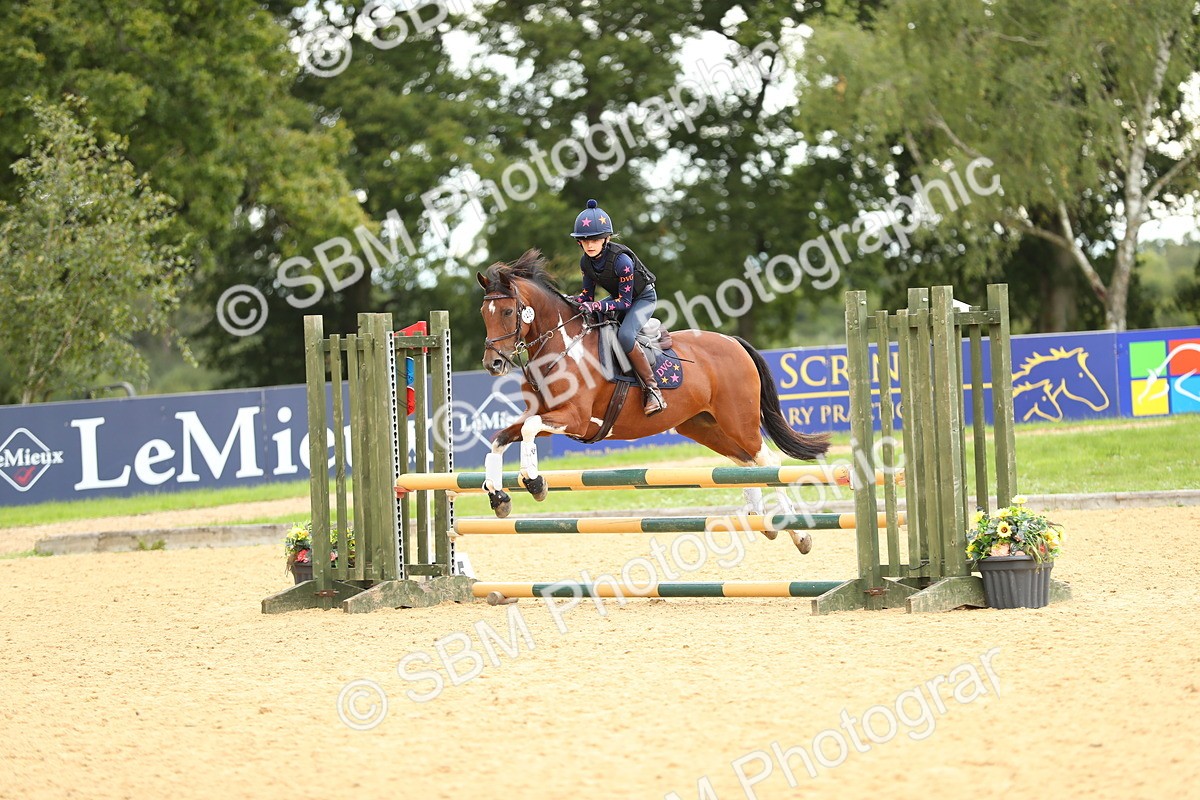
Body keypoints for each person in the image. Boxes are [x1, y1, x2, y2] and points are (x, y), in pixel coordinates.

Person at [570, 199, 665, 416]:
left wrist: (595, 305)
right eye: (585, 240)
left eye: (595, 239)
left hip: (642, 299)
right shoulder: (586, 263)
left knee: (625, 336)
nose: (590, 244)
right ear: (579, 243)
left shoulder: (622, 261)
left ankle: (653, 390)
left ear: (606, 238)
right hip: (620, 298)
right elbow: (587, 296)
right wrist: (569, 300)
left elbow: (625, 303)